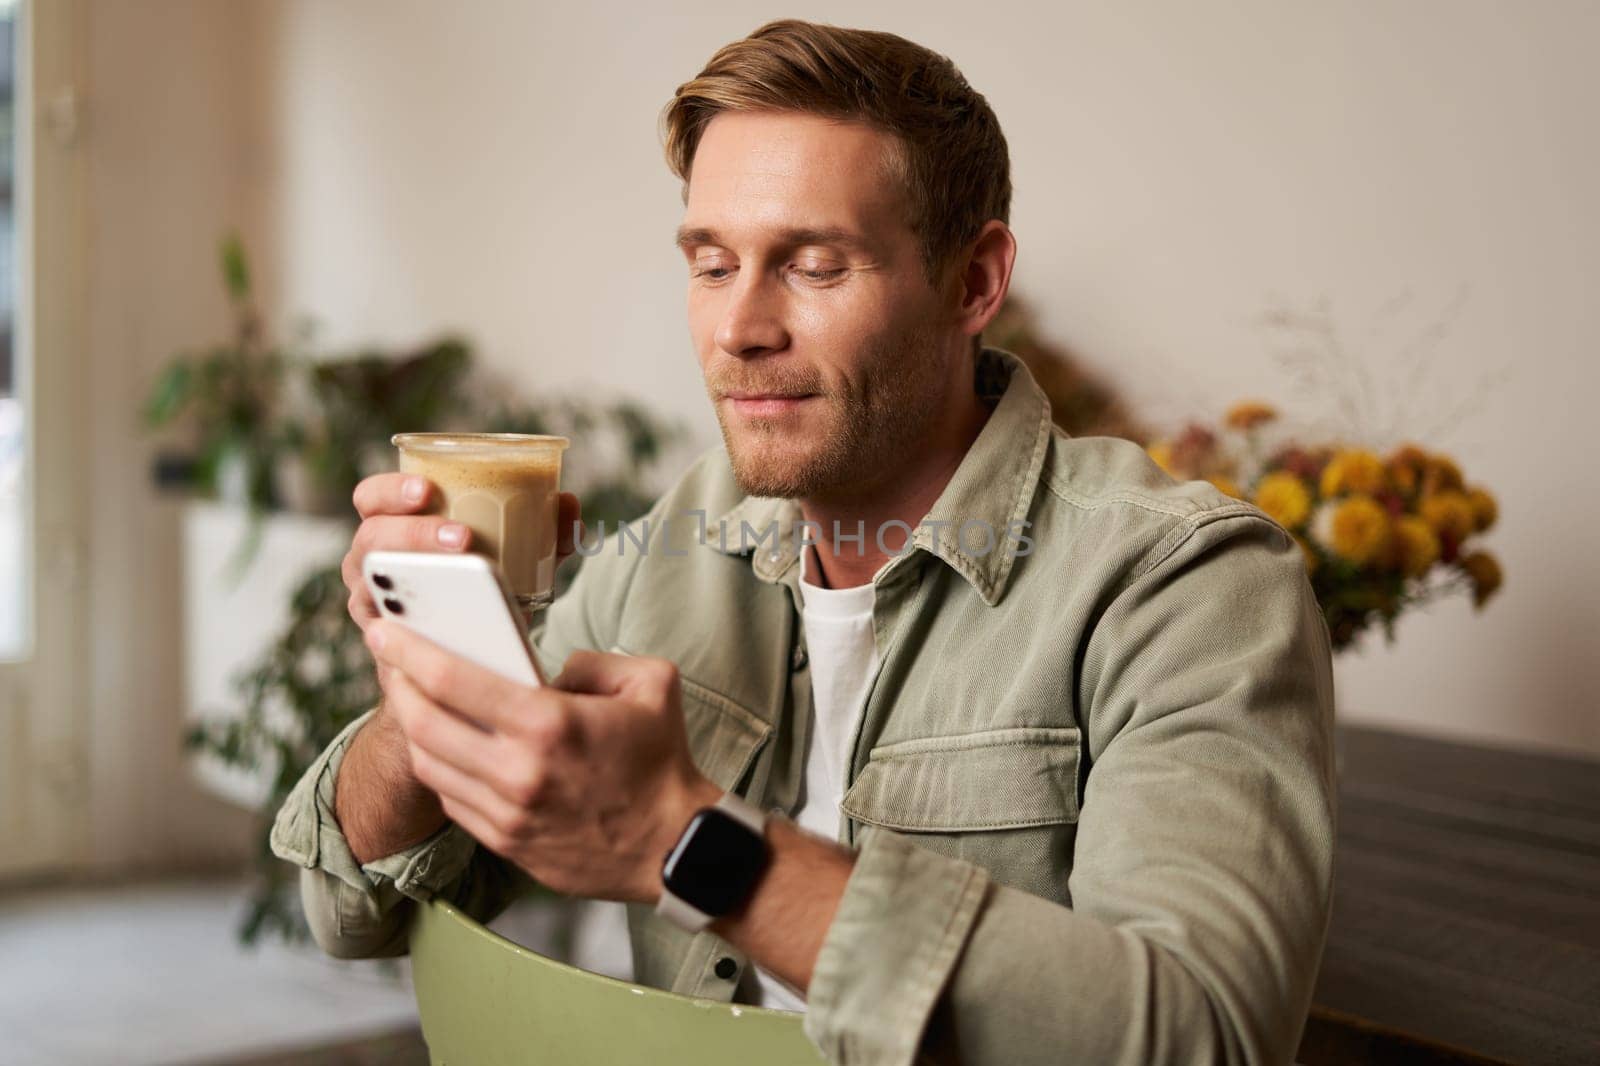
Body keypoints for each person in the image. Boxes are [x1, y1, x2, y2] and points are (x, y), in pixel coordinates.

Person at [271, 18, 1335, 1066]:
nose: (740, 328)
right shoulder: (666, 560)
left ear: (973, 282)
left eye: (814, 265)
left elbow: (1209, 1036)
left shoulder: (1182, 581)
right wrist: (432, 686)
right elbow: (346, 910)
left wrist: (685, 844)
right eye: (712, 263)